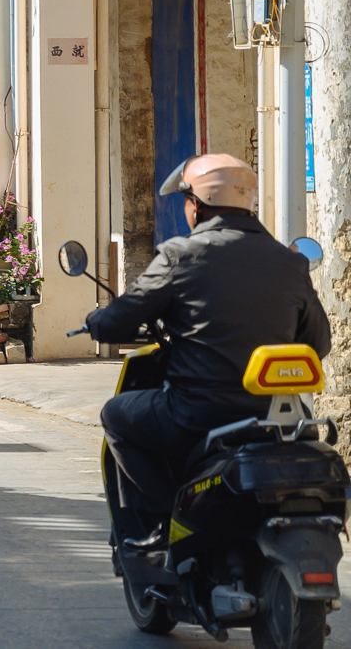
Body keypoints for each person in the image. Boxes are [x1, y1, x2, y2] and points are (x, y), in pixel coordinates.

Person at [87, 153, 331, 550]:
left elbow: (119, 320)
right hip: (277, 418)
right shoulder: (289, 262)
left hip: (197, 416)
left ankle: (170, 521)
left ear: (196, 205)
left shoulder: (180, 255)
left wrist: (97, 321)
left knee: (116, 415)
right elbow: (318, 343)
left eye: (186, 201)